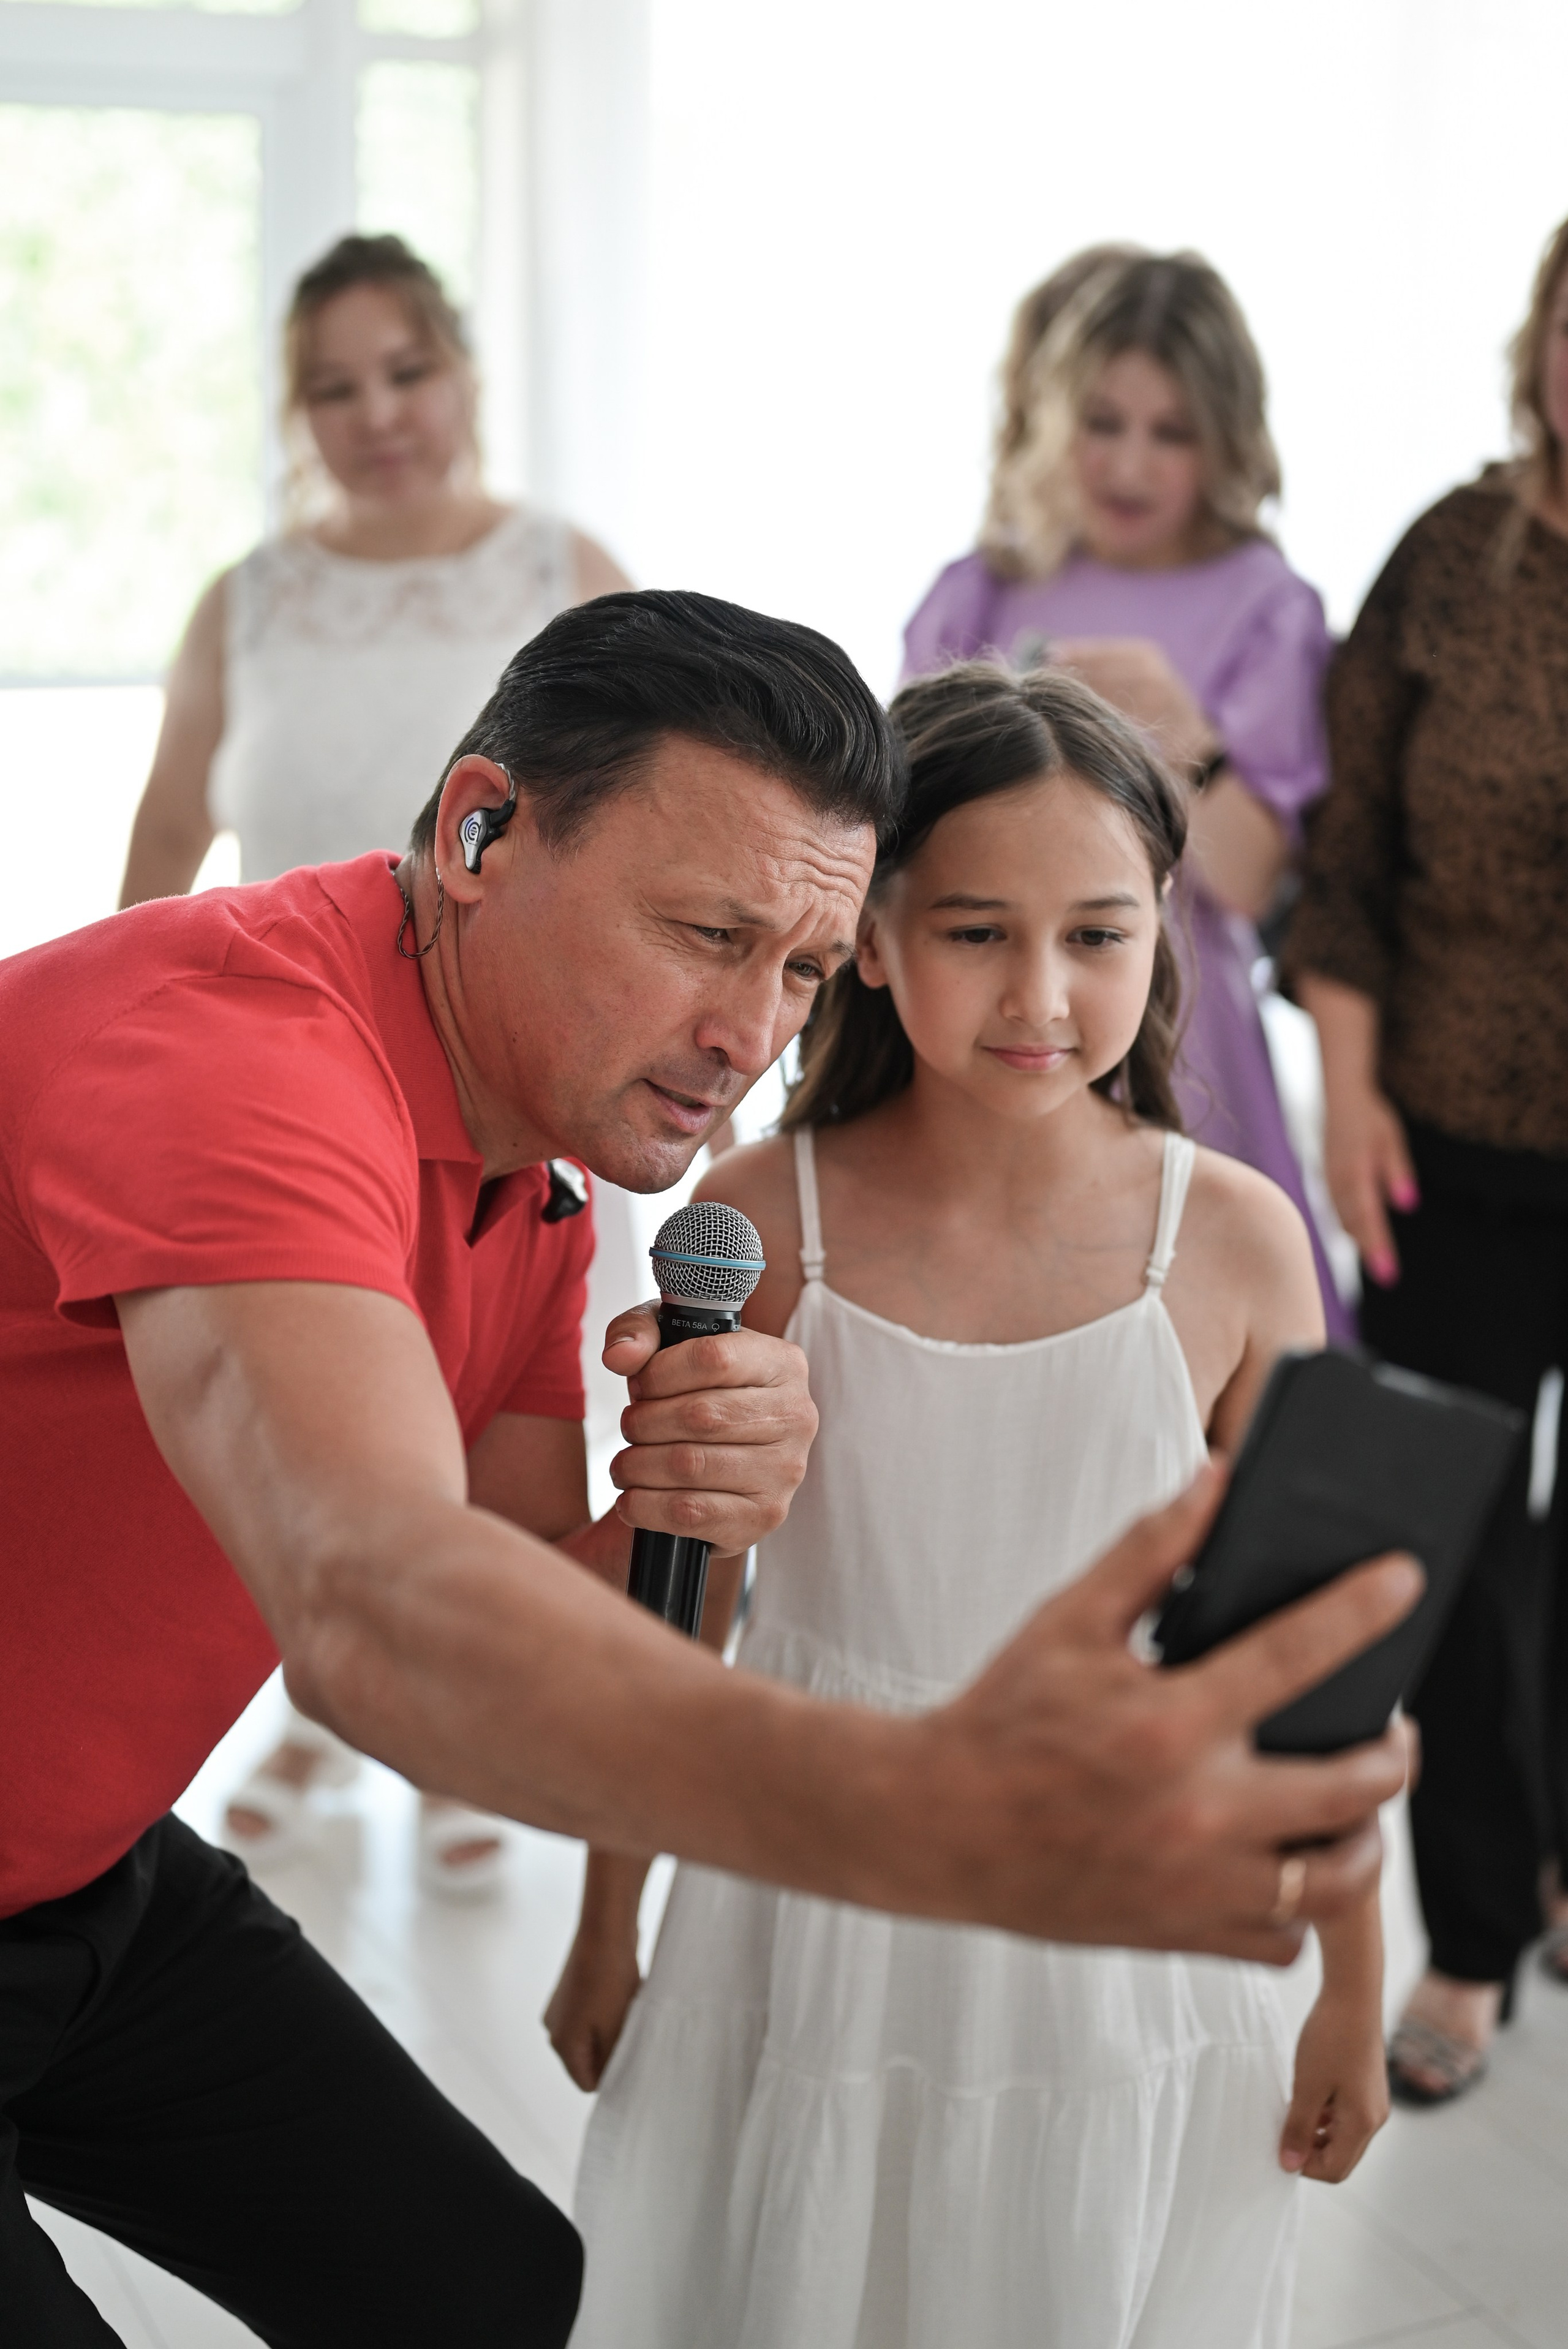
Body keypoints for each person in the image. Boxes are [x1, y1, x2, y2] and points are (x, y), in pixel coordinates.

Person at [1, 592, 1414, 2346]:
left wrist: (672, 1510)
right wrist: (934, 1815)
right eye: (704, 931)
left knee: (507, 2304)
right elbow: (368, 1607)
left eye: (803, 969)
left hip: (77, 1880)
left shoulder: (537, 1171)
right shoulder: (243, 1070)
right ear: (480, 832)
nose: (751, 1034)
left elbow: (492, 1618)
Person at [551, 663, 1387, 2349]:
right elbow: (682, 1599)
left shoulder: (1232, 1241)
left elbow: (1310, 1649)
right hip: (809, 1879)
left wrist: (1353, 1994)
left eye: (1096, 933)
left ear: (1162, 924)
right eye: (976, 931)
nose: (1042, 995)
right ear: (867, 933)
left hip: (1113, 1901)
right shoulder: (763, 1215)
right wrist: (605, 1914)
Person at [119, 229, 631, 1894]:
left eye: (405, 369)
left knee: (484, 1421)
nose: (379, 413)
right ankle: (309, 1701)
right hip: (290, 1080)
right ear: (298, 414)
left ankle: (456, 1719)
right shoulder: (245, 599)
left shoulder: (565, 568)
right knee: (307, 1411)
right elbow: (168, 839)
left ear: (466, 372)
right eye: (334, 387)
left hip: (506, 1074)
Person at [1284, 214, 1568, 2106]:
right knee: (1454, 1541)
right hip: (1453, 1134)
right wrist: (1352, 1094)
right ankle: (1472, 1940)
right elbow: (1351, 859)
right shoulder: (1457, 561)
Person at [903, 248, 1349, 1340]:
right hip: (994, 1012)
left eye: (1173, 433)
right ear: (1052, 420)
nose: (1131, 465)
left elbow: (1248, 877)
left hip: (1190, 1034)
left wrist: (1191, 743)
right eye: (1104, 422)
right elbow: (902, 830)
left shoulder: (1268, 605)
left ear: (1227, 442)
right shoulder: (984, 586)